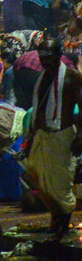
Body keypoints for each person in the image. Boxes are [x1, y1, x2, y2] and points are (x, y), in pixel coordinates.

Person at [24, 38, 82, 239]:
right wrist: (31, 137)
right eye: (42, 57)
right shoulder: (42, 79)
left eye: (48, 57)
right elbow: (37, 111)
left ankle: (62, 222)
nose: (44, 61)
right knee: (35, 175)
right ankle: (57, 215)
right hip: (42, 135)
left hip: (62, 136)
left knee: (58, 183)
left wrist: (80, 136)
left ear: (59, 55)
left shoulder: (73, 78)